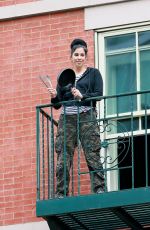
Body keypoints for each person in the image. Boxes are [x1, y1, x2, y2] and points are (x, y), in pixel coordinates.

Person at [48, 38, 105, 198]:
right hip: (67, 118)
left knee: (92, 152)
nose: (79, 57)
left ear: (85, 56)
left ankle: (99, 188)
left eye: (81, 54)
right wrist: (54, 96)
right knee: (63, 156)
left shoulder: (93, 73)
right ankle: (61, 193)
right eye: (76, 54)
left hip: (86, 116)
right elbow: (57, 105)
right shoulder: (65, 76)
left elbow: (99, 95)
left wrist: (83, 96)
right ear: (71, 57)